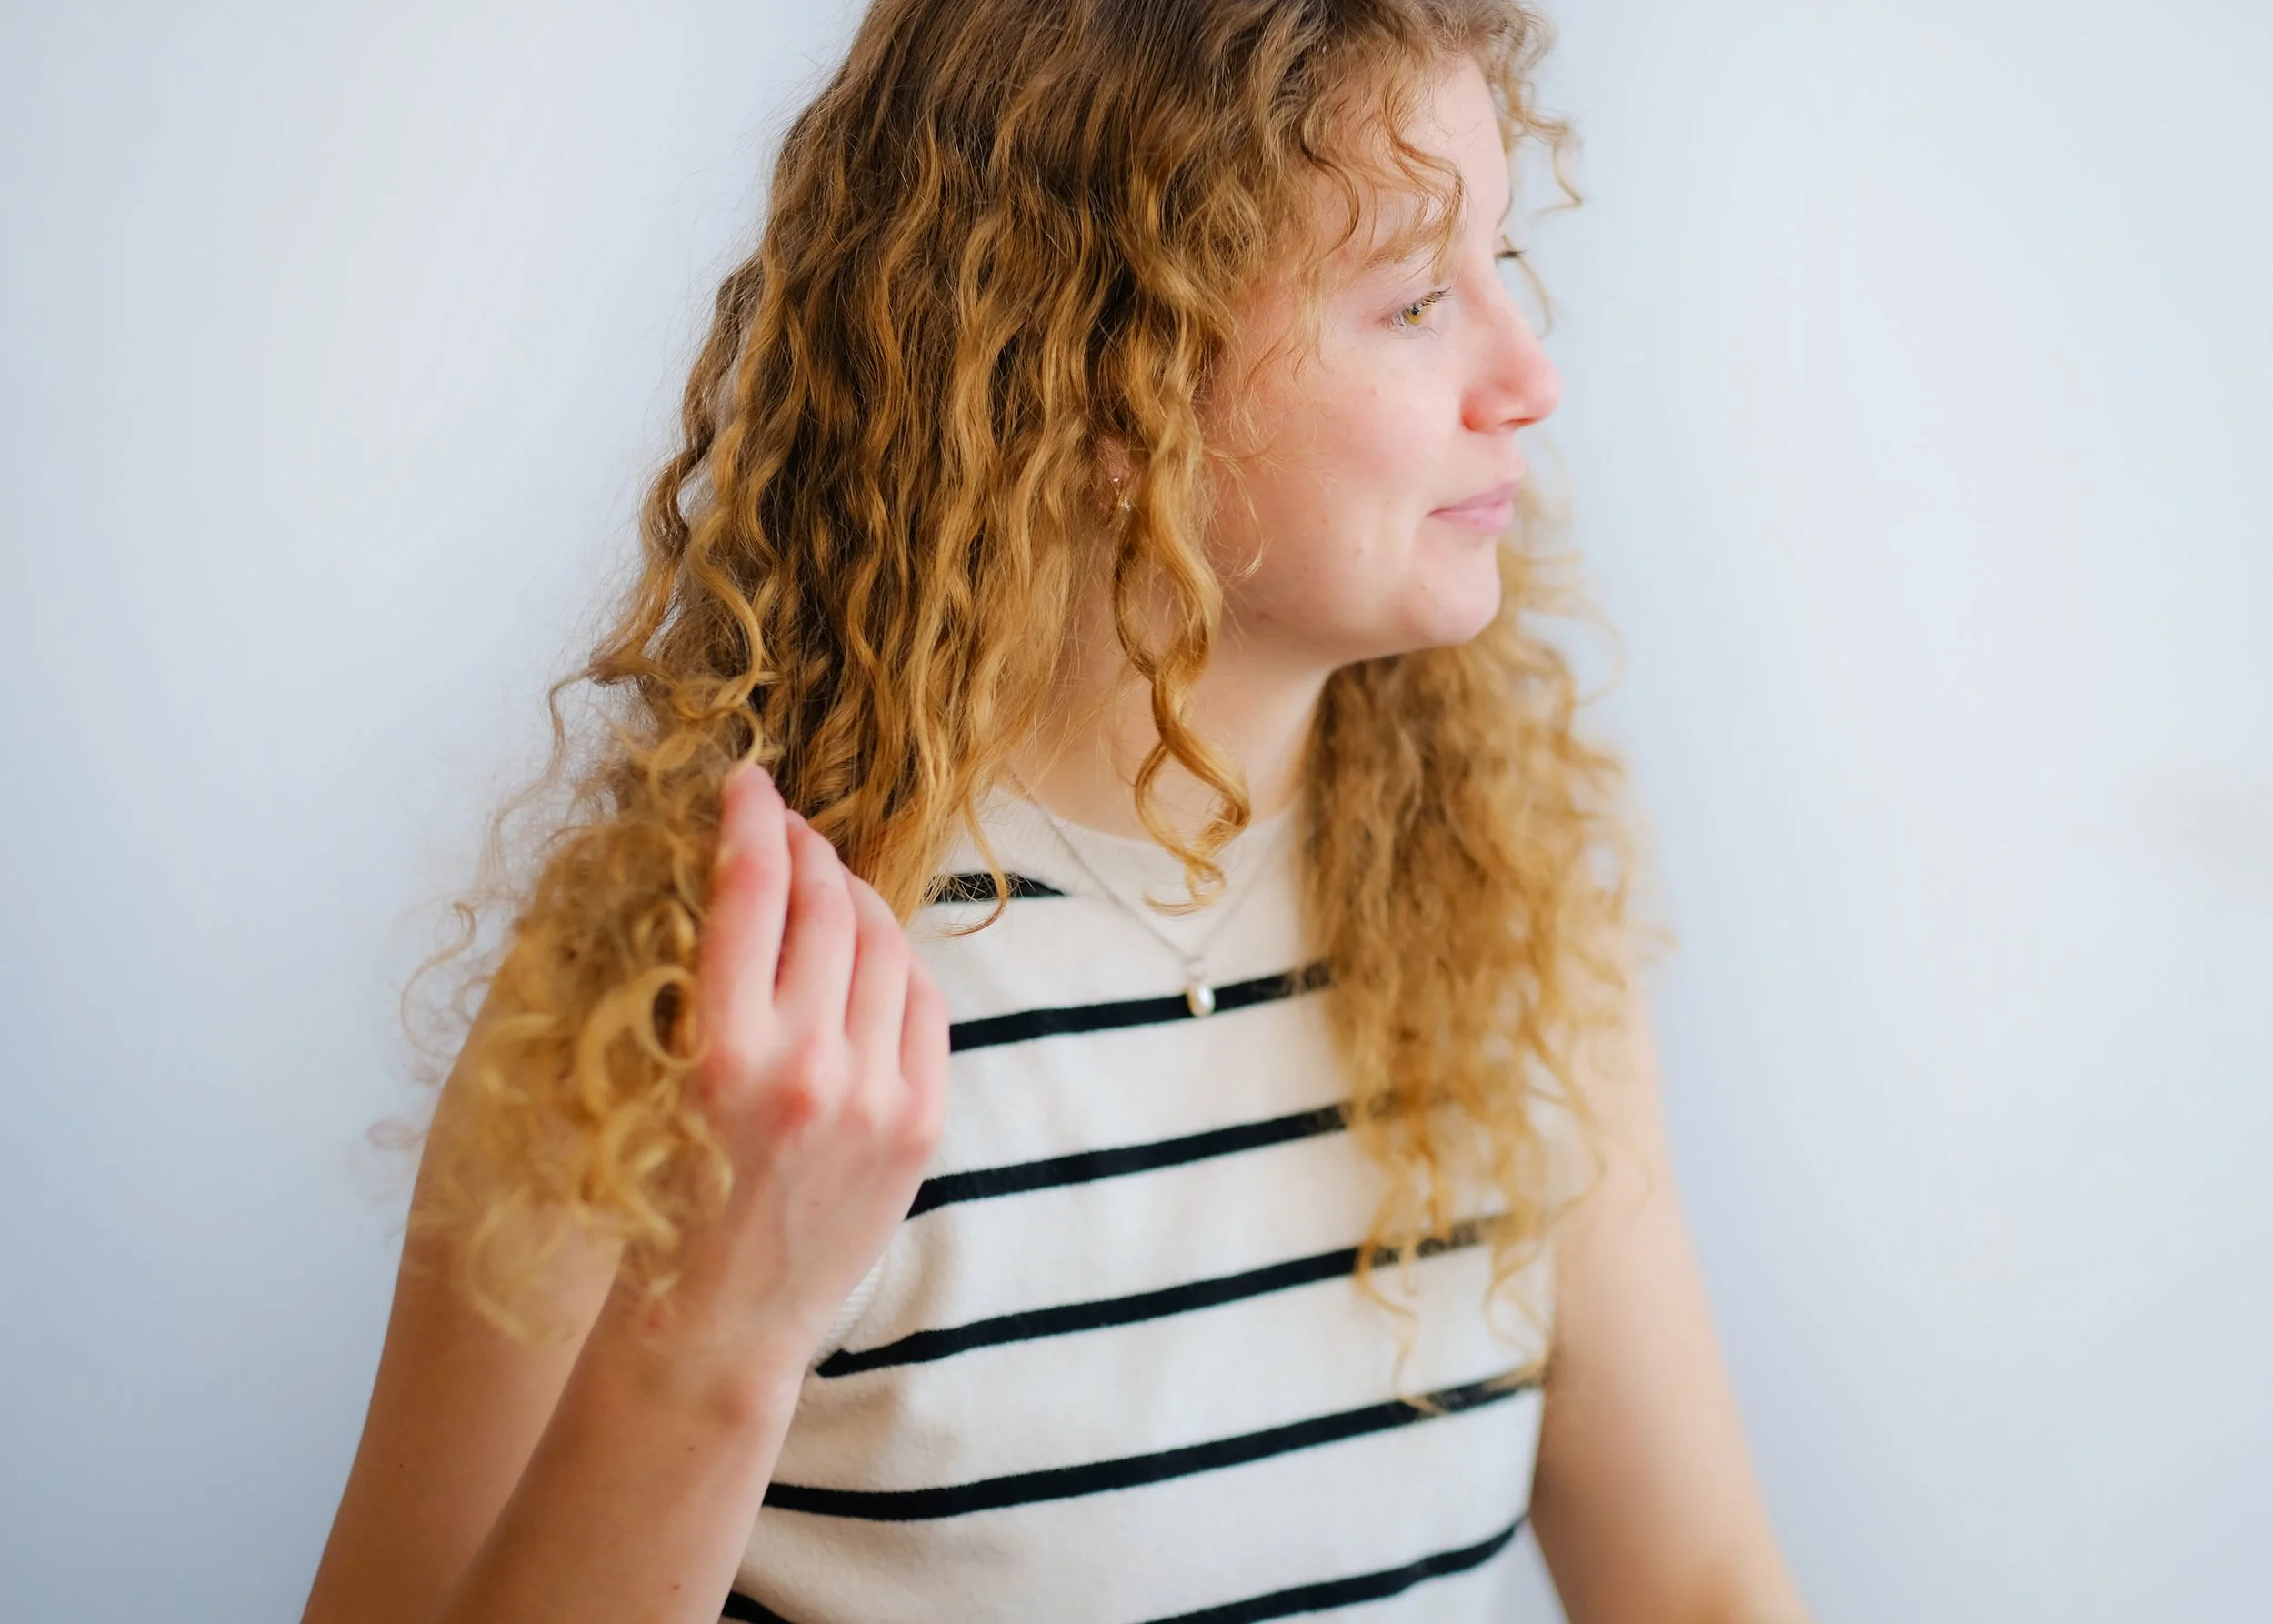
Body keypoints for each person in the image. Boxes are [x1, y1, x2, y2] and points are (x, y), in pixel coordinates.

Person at [305, 1, 1810, 1619]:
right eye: (1417, 300)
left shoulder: (1500, 909)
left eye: (1504, 266)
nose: (1529, 375)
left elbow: (1701, 1584)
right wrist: (708, 1353)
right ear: (1108, 387)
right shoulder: (706, 995)